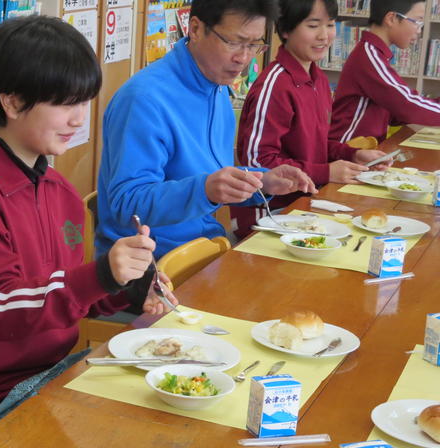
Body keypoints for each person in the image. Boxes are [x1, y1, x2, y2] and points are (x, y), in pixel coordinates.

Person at [0, 15, 175, 448]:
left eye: (84, 102)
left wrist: (131, 285)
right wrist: (102, 275)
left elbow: (68, 296)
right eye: (65, 104)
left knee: (153, 426)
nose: (79, 119)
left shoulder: (58, 190)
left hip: (50, 373)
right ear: (13, 102)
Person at [97, 0, 317, 258]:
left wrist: (263, 182)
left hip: (204, 248)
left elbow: (209, 177)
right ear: (195, 29)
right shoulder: (144, 99)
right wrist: (205, 190)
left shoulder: (216, 85)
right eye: (234, 42)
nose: (243, 58)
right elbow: (127, 205)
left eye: (253, 45)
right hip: (150, 263)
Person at [232, 0, 389, 238]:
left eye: (330, 25)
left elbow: (313, 145)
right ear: (286, 30)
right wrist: (325, 172)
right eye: (313, 25)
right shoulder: (275, 84)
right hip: (269, 216)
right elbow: (257, 163)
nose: (324, 36)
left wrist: (352, 154)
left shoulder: (319, 79)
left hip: (307, 207)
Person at [330, 0, 440, 143]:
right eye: (417, 22)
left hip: (366, 148)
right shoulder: (369, 56)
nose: (419, 31)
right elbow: (405, 104)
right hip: (347, 148)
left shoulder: (375, 54)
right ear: (391, 18)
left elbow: (394, 109)